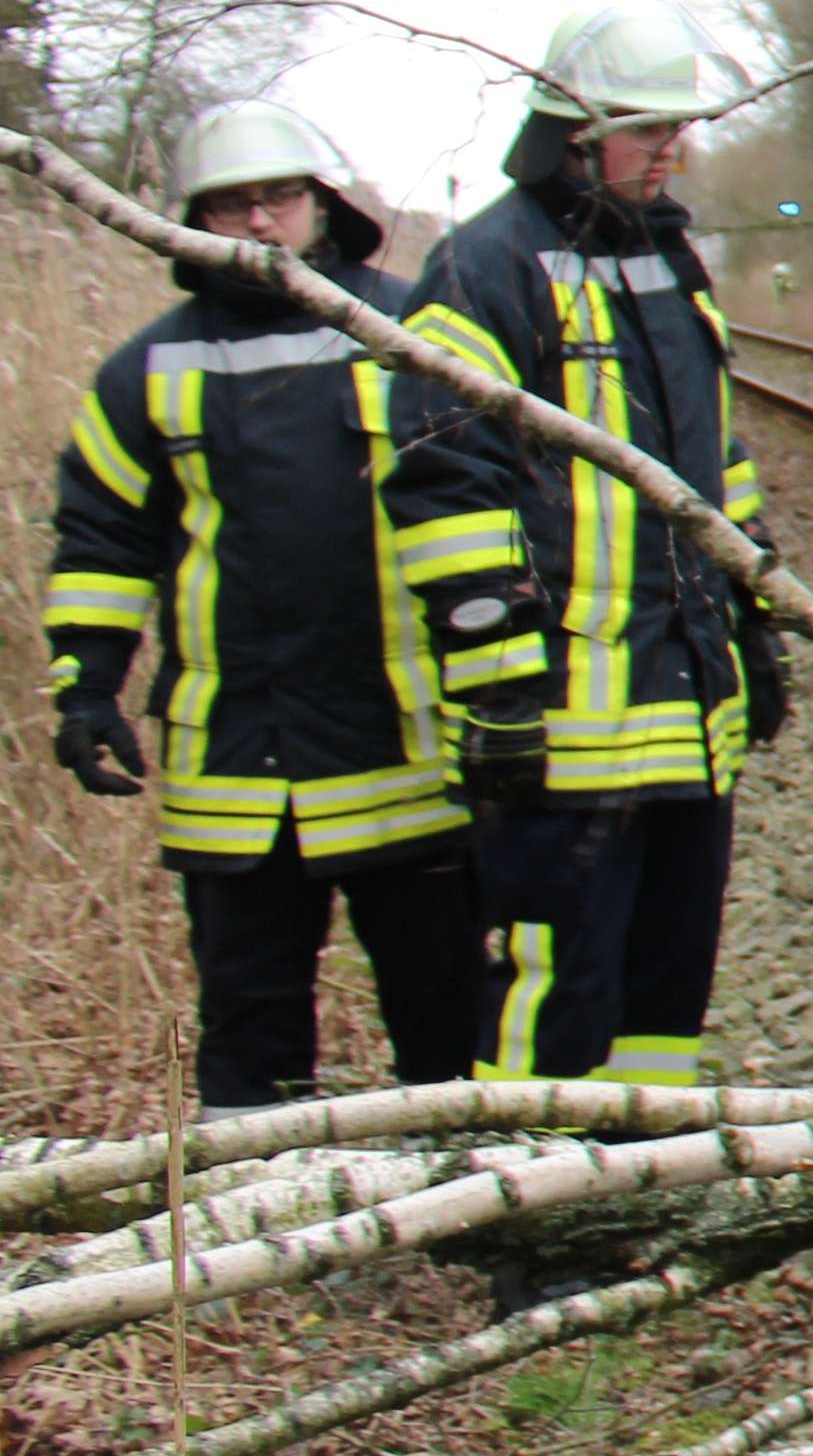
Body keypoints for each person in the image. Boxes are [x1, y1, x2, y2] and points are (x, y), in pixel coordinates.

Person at [40, 97, 504, 1105]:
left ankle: (479, 1208)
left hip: (407, 748)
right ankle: (253, 1225)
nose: (258, 223)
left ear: (323, 203)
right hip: (237, 767)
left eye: (278, 199)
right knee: (249, 1030)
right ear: (191, 223)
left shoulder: (410, 332)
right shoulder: (146, 371)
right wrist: (87, 686)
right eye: (232, 204)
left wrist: (510, 686)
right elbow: (103, 540)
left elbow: (504, 509)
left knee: (449, 1013)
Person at [405, 1, 779, 1101]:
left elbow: (718, 461)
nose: (674, 151)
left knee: (669, 987)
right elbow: (444, 485)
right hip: (563, 718)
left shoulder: (672, 264)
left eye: (682, 129)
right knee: (552, 987)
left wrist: (754, 617)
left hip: (684, 705)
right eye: (648, 130)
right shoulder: (484, 269)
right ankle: (531, 1223)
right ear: (574, 131)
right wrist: (499, 686)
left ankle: (636, 1185)